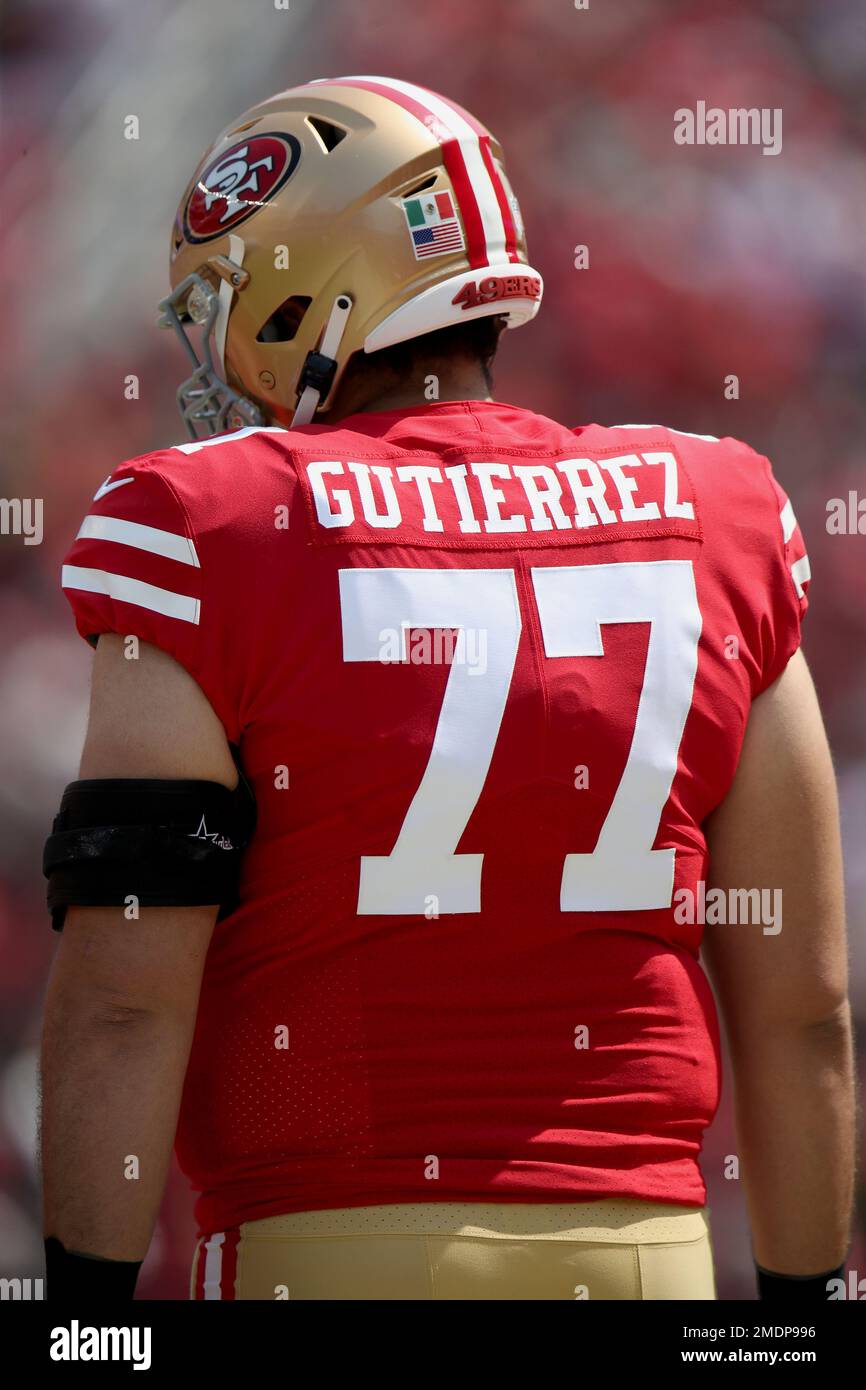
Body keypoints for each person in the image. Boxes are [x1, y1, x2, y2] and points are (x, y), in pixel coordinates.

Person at [40, 76, 853, 1301]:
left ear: (311, 287)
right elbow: (805, 1013)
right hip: (641, 1258)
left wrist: (78, 1323)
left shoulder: (206, 524)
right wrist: (799, 1317)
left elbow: (122, 1001)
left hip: (323, 1249)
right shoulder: (717, 511)